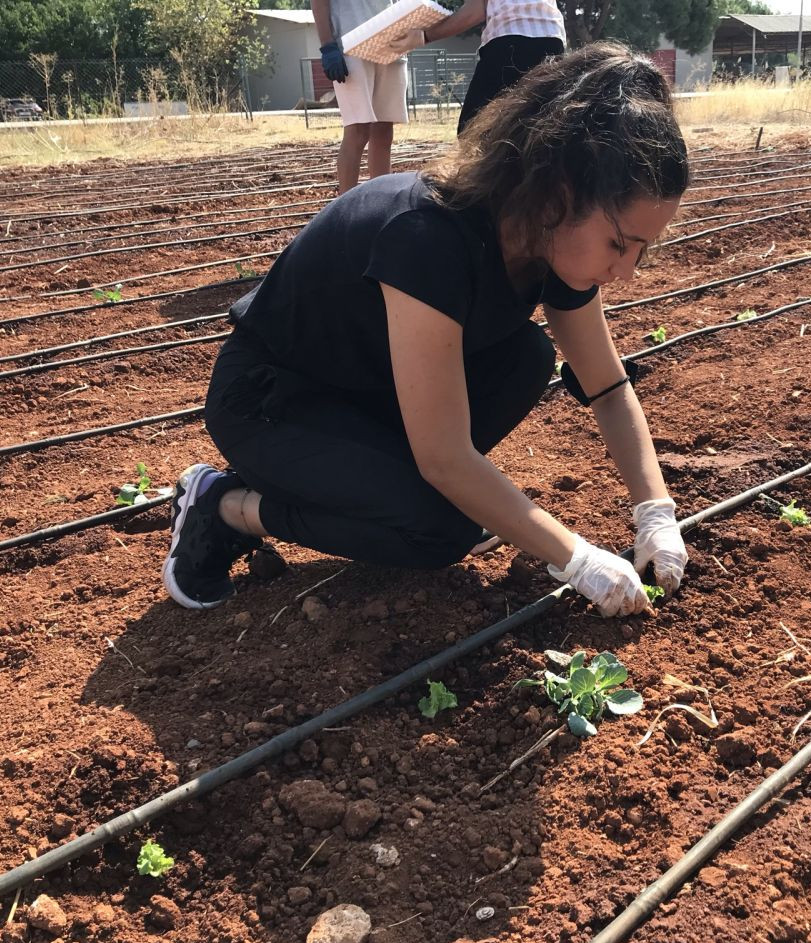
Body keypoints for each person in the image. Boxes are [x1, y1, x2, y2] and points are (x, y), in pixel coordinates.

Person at [162, 43, 691, 619]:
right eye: (620, 244)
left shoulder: (546, 241)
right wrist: (577, 558)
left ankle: (380, 486)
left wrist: (655, 513)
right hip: (272, 403)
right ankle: (226, 504)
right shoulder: (428, 237)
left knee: (525, 357)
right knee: (442, 529)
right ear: (558, 197)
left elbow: (608, 388)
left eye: (642, 250)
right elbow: (443, 458)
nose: (625, 272)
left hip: (364, 395)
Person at [387, 0, 566, 133]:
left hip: (510, 40)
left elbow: (475, 11)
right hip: (553, 40)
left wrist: (424, 36)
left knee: (472, 129)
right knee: (539, 127)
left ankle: (493, 182)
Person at [313, 0, 408, 193]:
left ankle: (380, 204)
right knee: (358, 131)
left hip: (390, 42)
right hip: (351, 45)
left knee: (383, 130)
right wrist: (327, 45)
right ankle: (345, 214)